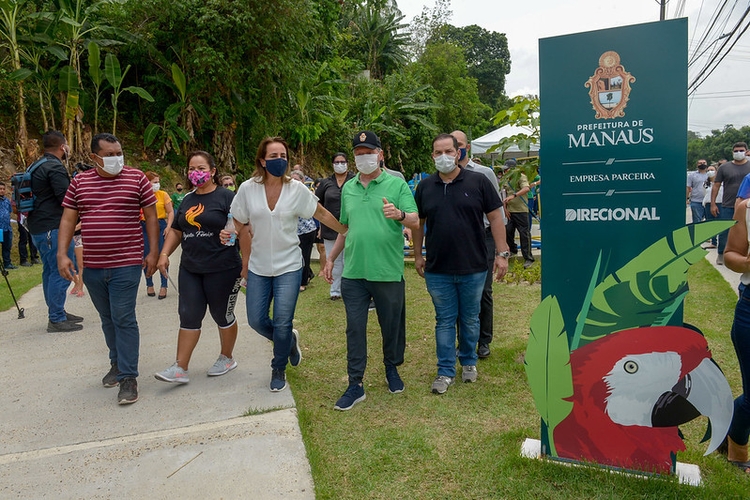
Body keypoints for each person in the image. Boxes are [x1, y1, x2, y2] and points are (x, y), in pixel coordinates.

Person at [230, 137, 346, 392]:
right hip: (259, 267)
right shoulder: (247, 189)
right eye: (273, 156)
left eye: (283, 155)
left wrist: (345, 230)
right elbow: (237, 221)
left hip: (290, 266)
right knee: (257, 320)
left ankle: (278, 367)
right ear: (262, 160)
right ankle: (289, 342)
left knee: (283, 321)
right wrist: (228, 234)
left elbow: (320, 213)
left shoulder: (296, 189)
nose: (279, 160)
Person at [58, 132, 159, 405]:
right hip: (93, 266)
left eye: (119, 153)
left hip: (126, 263)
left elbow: (151, 216)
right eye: (109, 155)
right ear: (94, 158)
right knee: (107, 317)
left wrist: (153, 251)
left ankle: (128, 378)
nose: (116, 159)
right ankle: (116, 362)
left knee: (124, 317)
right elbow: (68, 219)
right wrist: (61, 254)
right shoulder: (80, 182)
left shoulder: (137, 178)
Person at [323, 130, 419, 411]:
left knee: (391, 326)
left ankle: (391, 367)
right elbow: (345, 229)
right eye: (359, 153)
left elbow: (415, 221)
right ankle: (355, 383)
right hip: (354, 274)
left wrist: (400, 216)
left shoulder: (397, 185)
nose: (364, 158)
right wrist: (330, 259)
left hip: (387, 272)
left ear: (380, 154)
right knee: (354, 328)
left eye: (369, 152)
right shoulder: (349, 188)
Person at [413, 133, 510, 394]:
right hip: (438, 268)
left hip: (474, 266)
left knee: (469, 318)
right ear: (432, 156)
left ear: (458, 153)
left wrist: (502, 253)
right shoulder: (424, 187)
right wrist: (418, 254)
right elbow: (418, 224)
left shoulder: (478, 181)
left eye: (448, 151)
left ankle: (468, 361)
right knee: (444, 320)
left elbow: (496, 217)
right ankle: (445, 370)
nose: (443, 156)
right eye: (437, 152)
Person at [154, 151, 242, 384]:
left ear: (213, 171)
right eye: (193, 168)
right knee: (189, 315)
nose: (197, 173)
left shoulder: (227, 197)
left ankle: (227, 357)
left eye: (202, 168)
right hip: (191, 268)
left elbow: (243, 227)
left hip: (223, 267)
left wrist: (234, 234)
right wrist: (164, 253)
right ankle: (180, 368)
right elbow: (177, 230)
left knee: (221, 314)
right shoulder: (188, 200)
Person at [452, 130, 504, 358]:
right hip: (457, 240)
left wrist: (502, 249)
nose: (456, 149)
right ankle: (462, 340)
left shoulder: (485, 173)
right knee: (457, 290)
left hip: (483, 237)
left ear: (467, 147)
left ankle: (483, 340)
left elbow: (497, 212)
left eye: (459, 144)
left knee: (483, 291)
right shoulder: (444, 175)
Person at [28, 130, 81, 332]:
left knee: (50, 270)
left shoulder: (36, 165)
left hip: (38, 227)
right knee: (62, 269)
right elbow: (66, 200)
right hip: (52, 227)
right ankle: (56, 318)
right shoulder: (54, 168)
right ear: (62, 147)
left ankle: (58, 310)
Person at [722, 196, 750, 471]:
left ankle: (728, 426)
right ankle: (737, 444)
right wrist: (747, 263)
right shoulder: (748, 209)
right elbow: (731, 254)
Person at [315, 152, 355, 300]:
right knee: (334, 260)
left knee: (349, 260)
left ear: (348, 163)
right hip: (330, 228)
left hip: (351, 227)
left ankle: (348, 290)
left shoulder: (355, 180)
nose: (340, 164)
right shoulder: (326, 183)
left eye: (342, 162)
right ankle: (335, 290)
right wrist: (321, 223)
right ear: (332, 164)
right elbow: (316, 203)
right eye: (337, 162)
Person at [711, 142, 750, 265]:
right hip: (728, 205)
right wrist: (713, 203)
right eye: (736, 151)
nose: (739, 153)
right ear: (732, 152)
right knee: (725, 231)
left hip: (747, 207)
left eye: (741, 150)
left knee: (745, 232)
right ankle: (722, 254)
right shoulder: (725, 167)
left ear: (746, 151)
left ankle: (743, 257)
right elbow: (716, 186)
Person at [141, 171, 174, 299]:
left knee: (162, 255)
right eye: (154, 182)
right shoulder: (141, 195)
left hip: (160, 225)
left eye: (158, 182)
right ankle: (149, 284)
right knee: (145, 255)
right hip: (143, 225)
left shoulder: (163, 195)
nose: (157, 185)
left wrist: (168, 226)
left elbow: (170, 212)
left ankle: (164, 285)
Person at [501, 159, 534, 268]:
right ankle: (513, 251)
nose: (505, 171)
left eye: (507, 169)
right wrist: (505, 208)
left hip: (521, 210)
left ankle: (528, 258)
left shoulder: (521, 177)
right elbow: (504, 194)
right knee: (508, 232)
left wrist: (514, 195)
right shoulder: (506, 179)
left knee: (524, 234)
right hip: (510, 211)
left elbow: (526, 188)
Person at [291, 170, 318, 291]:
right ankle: (309, 274)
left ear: (302, 181)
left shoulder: (307, 193)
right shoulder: (287, 193)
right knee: (296, 256)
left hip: (307, 230)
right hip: (294, 230)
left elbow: (318, 211)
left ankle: (302, 282)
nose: (293, 183)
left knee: (304, 256)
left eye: (296, 180)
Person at [703, 165, 720, 248]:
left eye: (712, 170)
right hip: (708, 204)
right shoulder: (705, 183)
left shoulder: (721, 182)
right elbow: (704, 194)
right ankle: (713, 242)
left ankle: (722, 242)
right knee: (710, 223)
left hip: (719, 203)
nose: (710, 172)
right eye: (708, 170)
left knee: (719, 223)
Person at [687, 159, 709, 223]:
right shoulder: (692, 175)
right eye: (700, 163)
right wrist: (687, 199)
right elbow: (688, 187)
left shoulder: (710, 175)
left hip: (708, 201)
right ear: (697, 165)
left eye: (704, 163)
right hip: (696, 201)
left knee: (709, 221)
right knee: (697, 222)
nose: (702, 164)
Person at [0, 182, 13, 270]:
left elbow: (9, 211)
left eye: (3, 189)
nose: (2, 191)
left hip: (7, 227)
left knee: (7, 246)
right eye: (0, 189)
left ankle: (7, 263)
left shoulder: (6, 200)